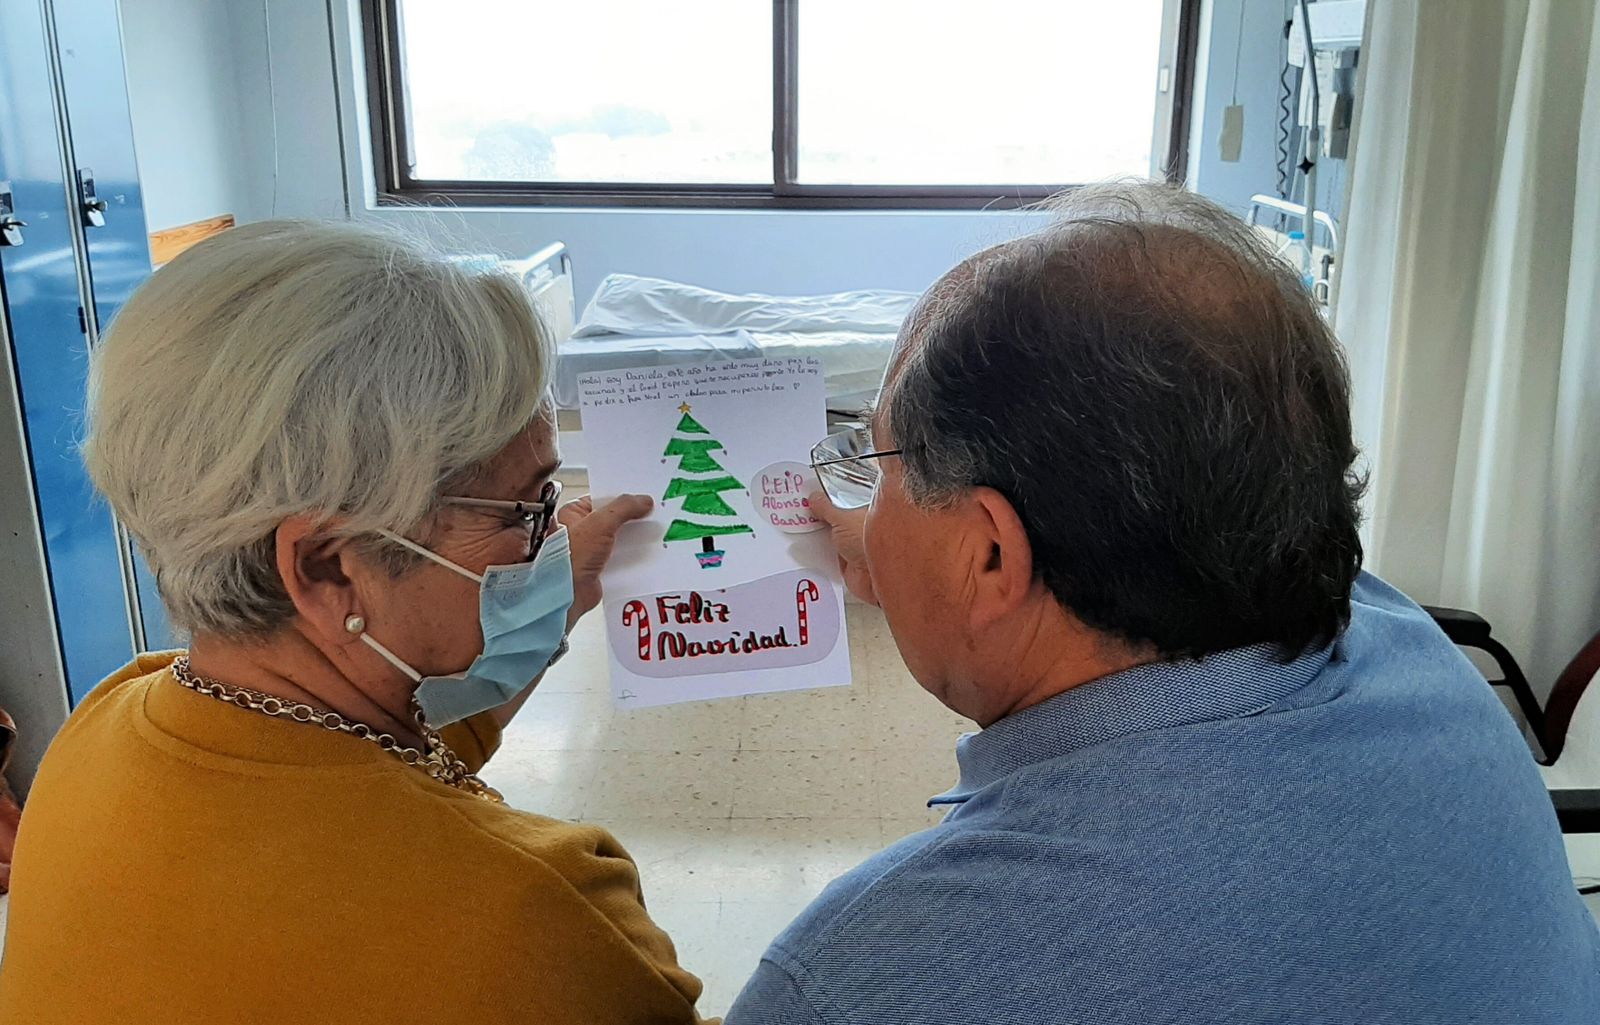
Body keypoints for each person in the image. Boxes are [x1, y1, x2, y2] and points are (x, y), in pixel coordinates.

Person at [727, 182, 1600, 1024]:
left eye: (874, 466)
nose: (866, 501)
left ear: (992, 551)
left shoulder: (857, 984)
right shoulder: (1414, 649)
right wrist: (899, 548)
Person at [0, 221, 713, 1023]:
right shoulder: (526, 909)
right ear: (326, 565)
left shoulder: (101, 728)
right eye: (526, 508)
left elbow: (373, 748)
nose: (548, 537)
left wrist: (550, 598)